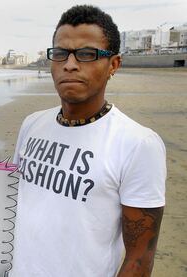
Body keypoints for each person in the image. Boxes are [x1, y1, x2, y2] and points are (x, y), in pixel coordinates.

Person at [11, 5, 166, 277]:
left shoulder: (138, 144)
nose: (69, 64)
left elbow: (139, 260)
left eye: (86, 54)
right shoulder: (32, 124)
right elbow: (14, 204)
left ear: (113, 65)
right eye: (60, 54)